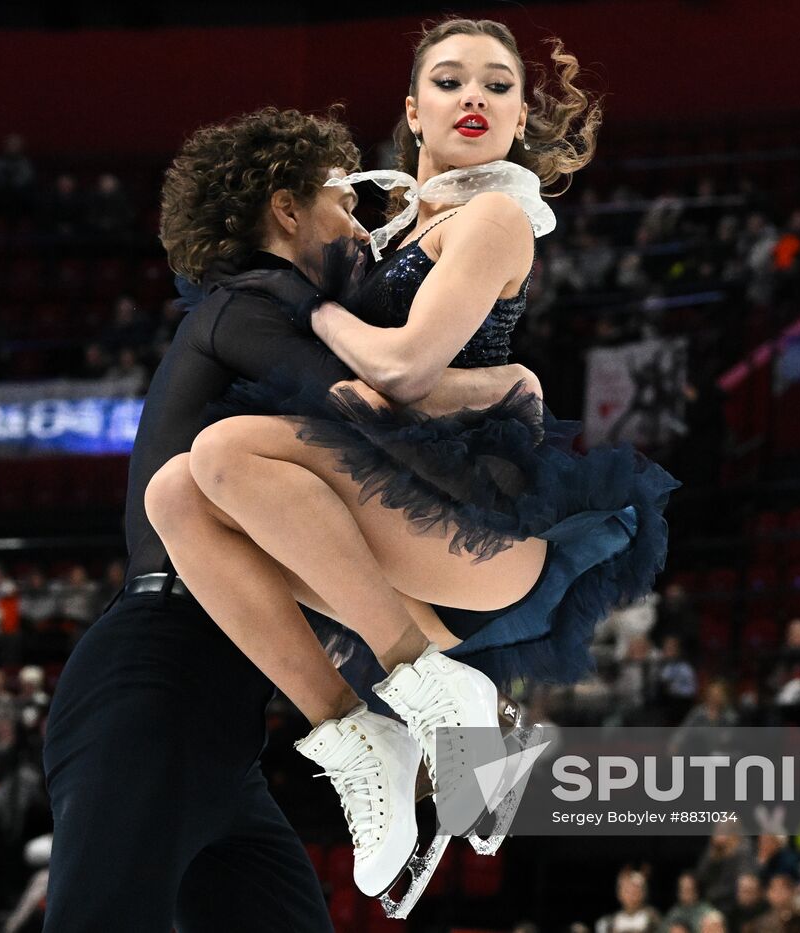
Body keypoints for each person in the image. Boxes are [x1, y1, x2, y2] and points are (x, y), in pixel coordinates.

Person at [148, 17, 671, 898]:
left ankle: (438, 695)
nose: (476, 96)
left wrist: (313, 318)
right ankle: (361, 736)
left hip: (477, 524)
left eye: (499, 85)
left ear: (516, 121)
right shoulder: (374, 236)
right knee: (175, 494)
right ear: (412, 114)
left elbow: (402, 368)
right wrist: (506, 381)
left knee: (228, 447)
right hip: (394, 549)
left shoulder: (497, 215)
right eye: (452, 80)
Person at [43, 106, 532, 932]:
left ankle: (420, 720)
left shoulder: (276, 316)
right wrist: (504, 391)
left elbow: (339, 539)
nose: (358, 225)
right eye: (341, 202)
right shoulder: (252, 301)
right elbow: (369, 410)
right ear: (286, 207)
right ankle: (430, 712)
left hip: (225, 726)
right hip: (154, 679)